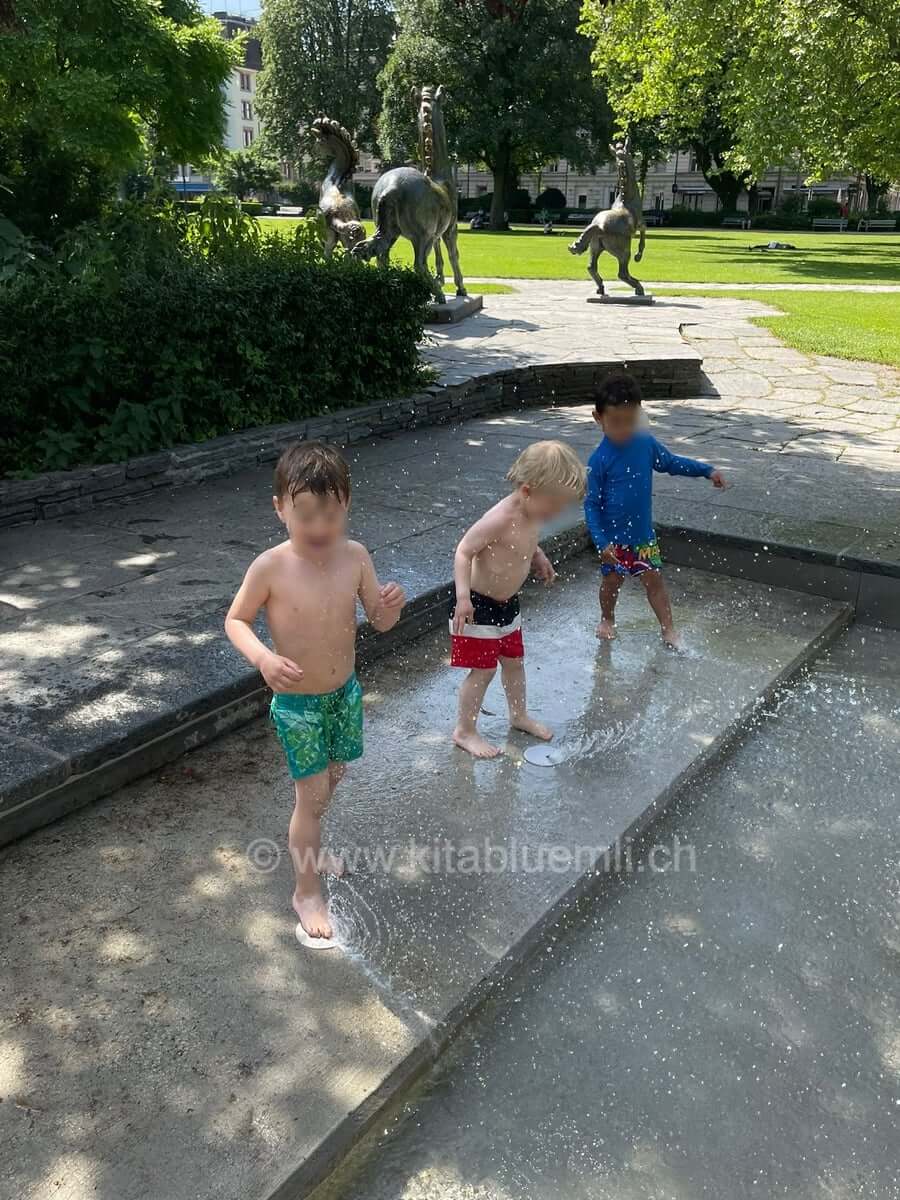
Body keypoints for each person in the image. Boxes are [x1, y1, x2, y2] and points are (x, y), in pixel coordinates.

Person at [225, 442, 405, 942]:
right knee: (311, 796)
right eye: (305, 515)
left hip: (344, 693)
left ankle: (316, 846)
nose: (320, 527)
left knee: (333, 778)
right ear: (280, 508)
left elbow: (381, 621)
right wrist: (262, 657)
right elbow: (235, 620)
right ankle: (305, 890)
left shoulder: (356, 557)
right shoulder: (270, 567)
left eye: (331, 513)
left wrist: (392, 605)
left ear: (346, 503)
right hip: (300, 704)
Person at [450, 441, 587, 758]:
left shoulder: (532, 512)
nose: (556, 514)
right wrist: (462, 598)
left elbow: (525, 542)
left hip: (507, 604)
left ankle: (518, 715)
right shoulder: (500, 518)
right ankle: (465, 731)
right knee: (483, 671)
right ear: (527, 491)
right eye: (554, 507)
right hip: (476, 605)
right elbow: (463, 551)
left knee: (514, 663)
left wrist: (538, 557)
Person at [584, 374, 727, 648]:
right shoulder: (599, 460)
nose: (625, 429)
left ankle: (669, 629)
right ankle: (607, 618)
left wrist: (707, 470)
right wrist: (601, 541)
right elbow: (591, 505)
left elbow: (672, 463)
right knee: (611, 582)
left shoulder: (645, 445)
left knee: (654, 581)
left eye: (631, 420)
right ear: (597, 418)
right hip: (613, 542)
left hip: (642, 538)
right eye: (616, 422)